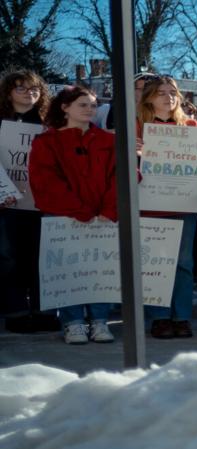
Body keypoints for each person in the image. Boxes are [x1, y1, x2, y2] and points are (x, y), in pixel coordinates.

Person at [28, 87, 118, 344]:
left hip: (103, 217)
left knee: (100, 268)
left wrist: (109, 209)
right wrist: (78, 210)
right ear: (65, 108)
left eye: (92, 105)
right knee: (68, 269)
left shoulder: (108, 141)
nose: (90, 109)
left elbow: (124, 175)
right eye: (83, 105)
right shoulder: (47, 142)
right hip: (64, 216)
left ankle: (100, 321)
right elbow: (44, 180)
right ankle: (73, 322)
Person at [135, 76, 197, 338]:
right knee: (154, 262)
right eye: (160, 93)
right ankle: (158, 316)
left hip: (183, 204)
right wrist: (130, 153)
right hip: (149, 204)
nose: (168, 97)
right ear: (148, 98)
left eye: (172, 92)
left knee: (184, 262)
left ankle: (181, 316)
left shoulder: (191, 126)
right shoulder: (137, 127)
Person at [2, 70, 56, 333]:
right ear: (8, 92)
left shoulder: (50, 125)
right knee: (9, 257)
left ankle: (43, 311)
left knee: (42, 257)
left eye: (34, 89)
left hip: (41, 202)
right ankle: (16, 312)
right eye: (21, 88)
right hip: (6, 203)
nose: (28, 93)